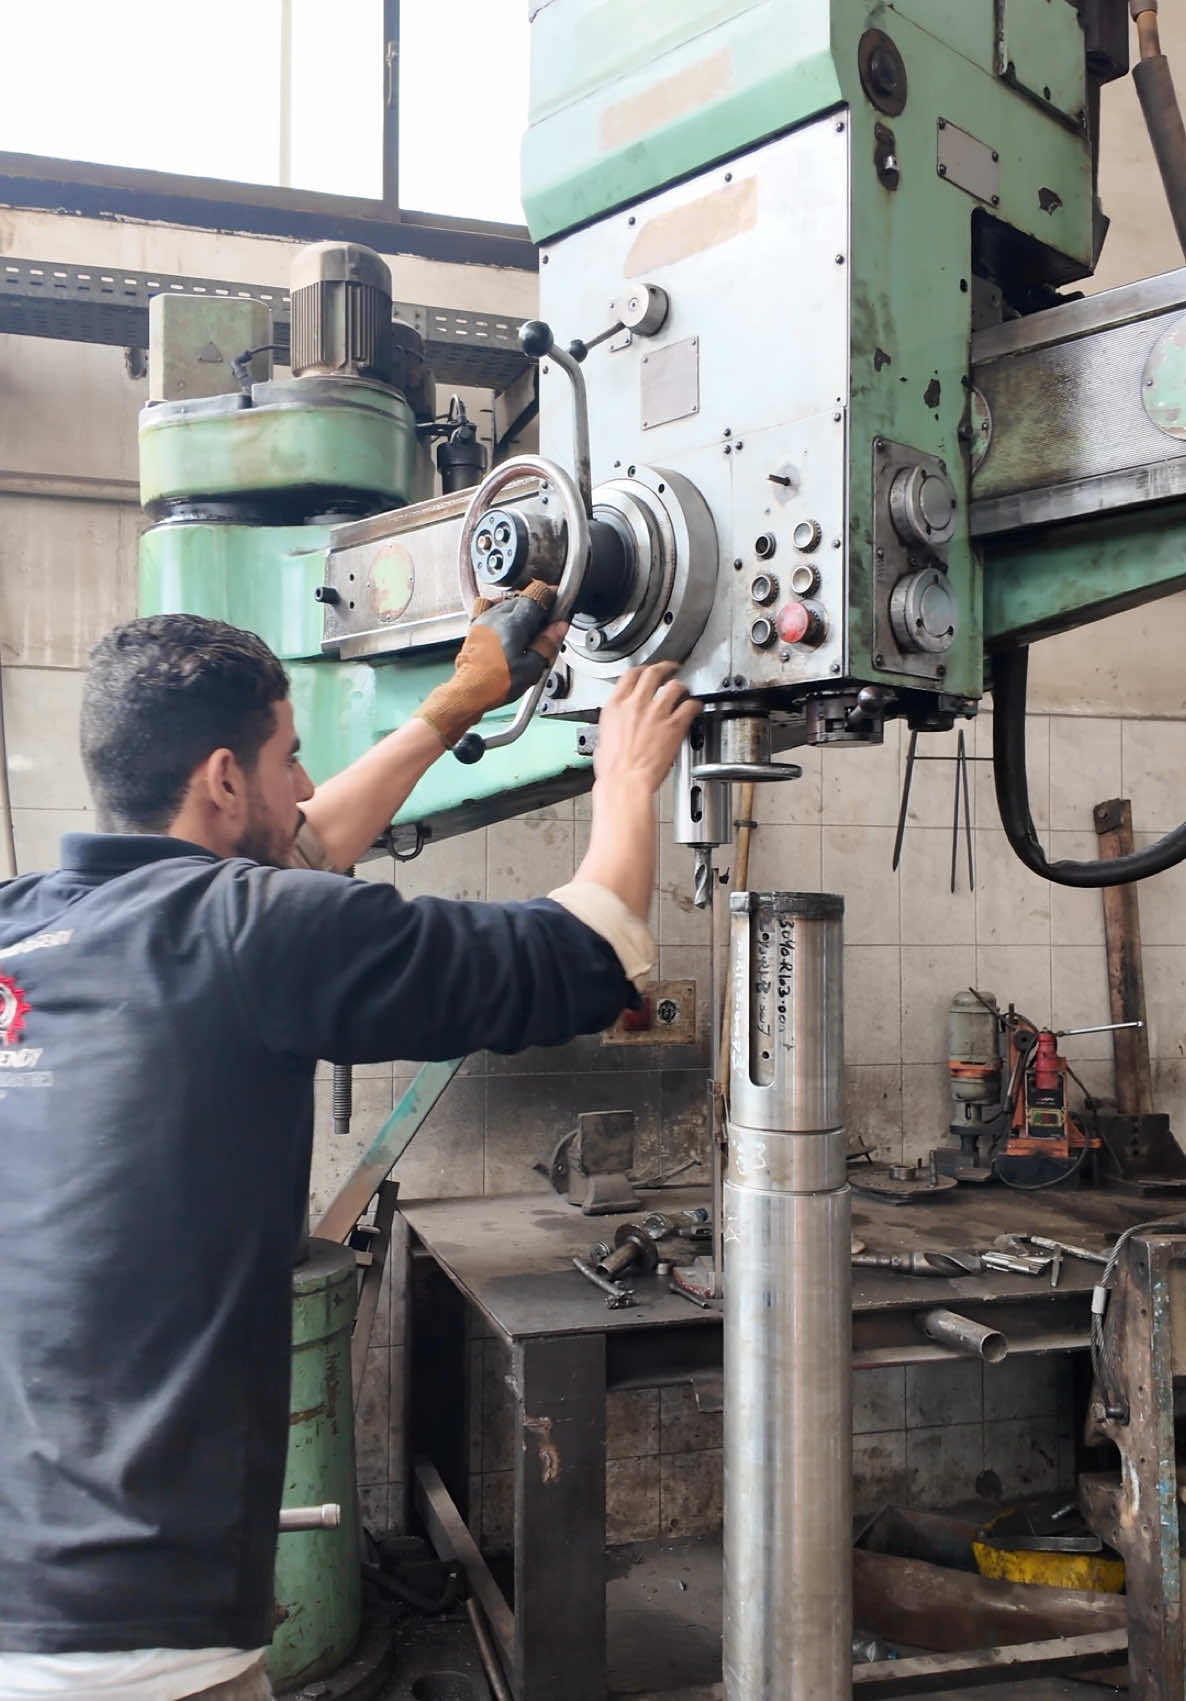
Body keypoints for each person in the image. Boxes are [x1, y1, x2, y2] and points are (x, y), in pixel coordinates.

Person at [0, 593, 700, 1701]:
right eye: (290, 757)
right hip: (135, 1644)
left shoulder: (28, 920)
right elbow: (588, 955)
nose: (310, 784)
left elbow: (304, 853)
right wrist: (626, 775)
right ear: (224, 780)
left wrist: (457, 705)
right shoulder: (249, 931)